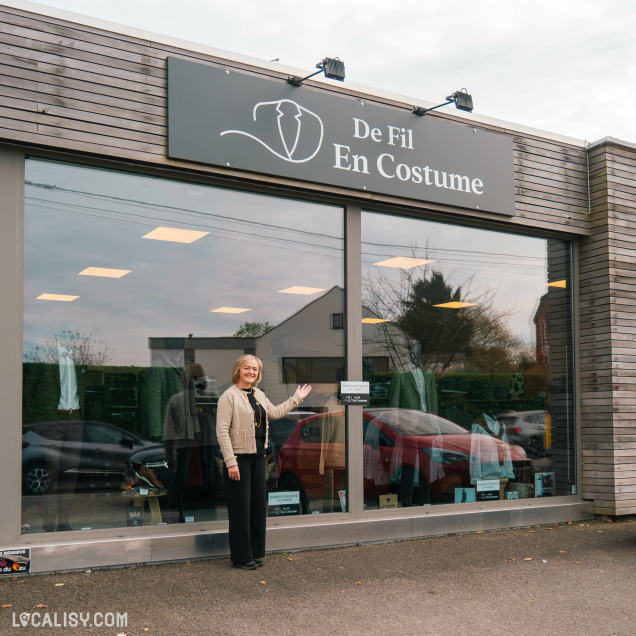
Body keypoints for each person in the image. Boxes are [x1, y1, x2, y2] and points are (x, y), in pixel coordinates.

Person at [216, 354, 311, 569]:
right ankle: (240, 556)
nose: (251, 372)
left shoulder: (258, 394)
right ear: (238, 370)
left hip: (258, 458)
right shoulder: (228, 396)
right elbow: (222, 431)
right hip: (238, 460)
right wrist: (230, 462)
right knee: (240, 510)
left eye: (255, 369)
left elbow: (275, 413)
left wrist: (296, 398)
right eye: (247, 368)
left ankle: (254, 552)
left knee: (257, 507)